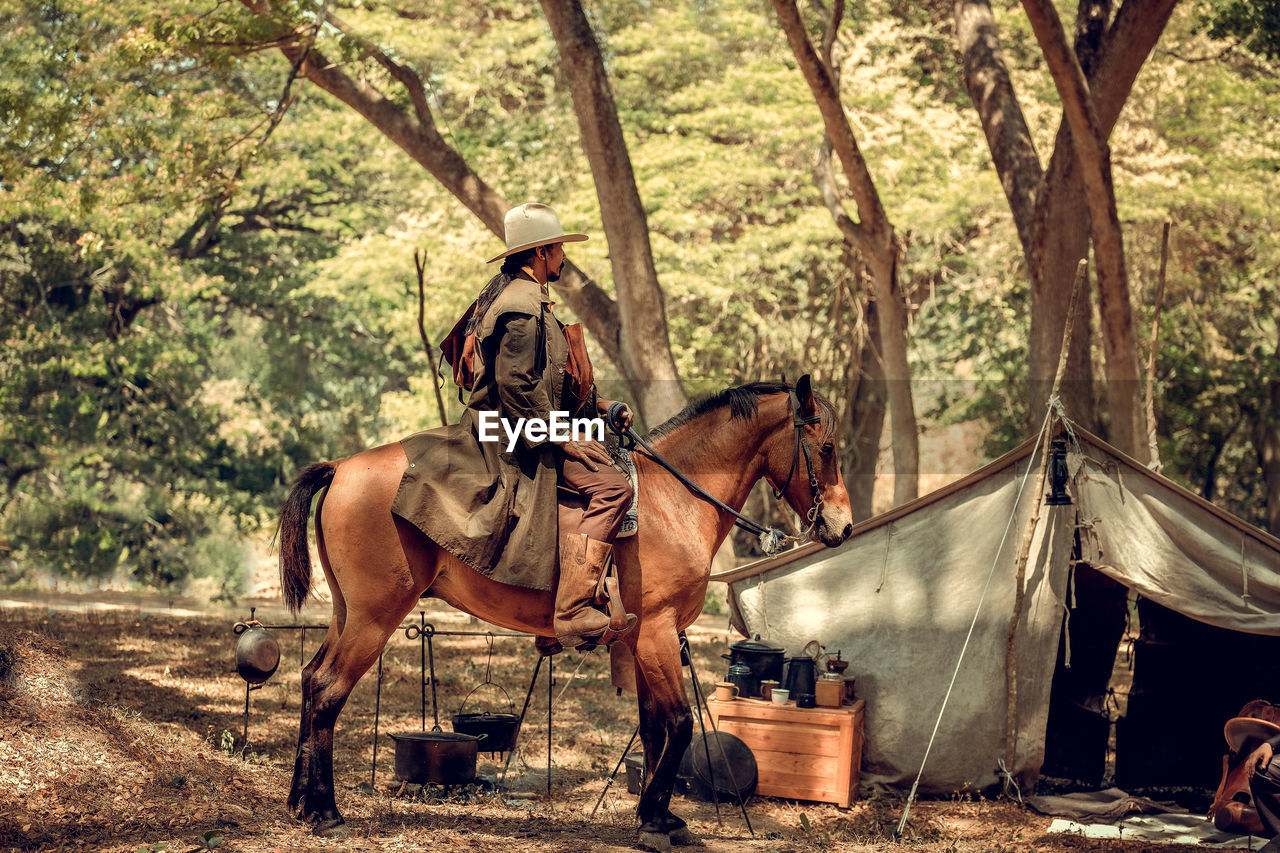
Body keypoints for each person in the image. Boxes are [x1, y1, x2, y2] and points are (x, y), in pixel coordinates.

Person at [392, 202, 636, 649]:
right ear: (541, 252)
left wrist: (601, 407)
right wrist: (561, 436)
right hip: (511, 433)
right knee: (613, 488)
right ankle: (573, 607)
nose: (564, 254)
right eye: (559, 246)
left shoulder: (528, 300)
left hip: (526, 422)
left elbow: (546, 382)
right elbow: (515, 382)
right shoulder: (522, 307)